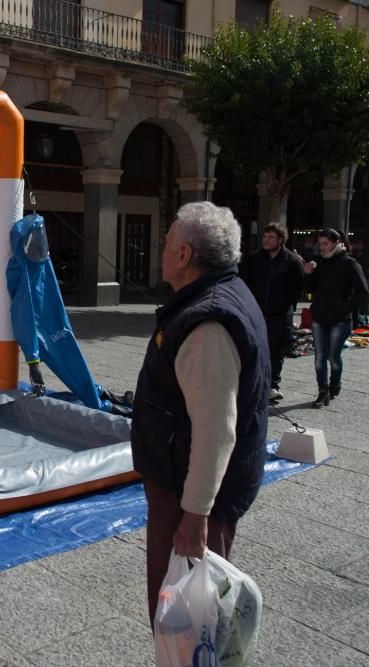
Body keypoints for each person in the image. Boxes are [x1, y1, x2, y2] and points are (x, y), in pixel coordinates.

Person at [131, 201, 270, 628]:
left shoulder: (207, 321)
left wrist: (195, 516)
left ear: (185, 255)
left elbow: (215, 431)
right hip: (185, 483)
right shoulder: (215, 299)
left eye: (167, 240)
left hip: (188, 496)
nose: (162, 248)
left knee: (185, 619)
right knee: (187, 615)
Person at [302, 228, 369, 407]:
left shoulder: (348, 263)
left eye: (325, 244)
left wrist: (345, 307)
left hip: (340, 319)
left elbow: (363, 291)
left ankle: (335, 383)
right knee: (319, 357)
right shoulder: (318, 262)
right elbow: (310, 289)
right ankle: (322, 391)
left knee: (333, 357)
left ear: (335, 243)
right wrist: (308, 273)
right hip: (319, 316)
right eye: (320, 244)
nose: (322, 248)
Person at [239, 223, 303, 403]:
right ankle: (254, 383)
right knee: (254, 349)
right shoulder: (254, 259)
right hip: (256, 312)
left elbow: (296, 288)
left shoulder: (292, 261)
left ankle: (272, 385)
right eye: (265, 236)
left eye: (271, 237)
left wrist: (284, 305)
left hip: (280, 315)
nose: (266, 240)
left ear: (280, 240)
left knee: (276, 351)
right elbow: (244, 282)